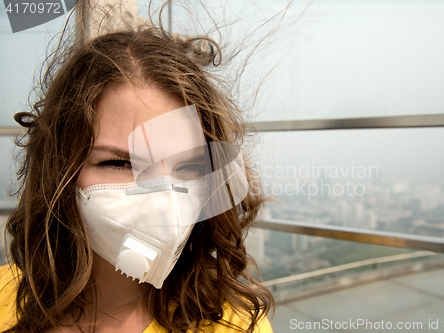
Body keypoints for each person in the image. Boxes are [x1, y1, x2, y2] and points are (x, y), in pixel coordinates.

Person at [0, 9, 274, 333]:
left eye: (187, 168)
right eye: (119, 163)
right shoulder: (5, 292)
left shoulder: (231, 325)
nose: (163, 199)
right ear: (58, 172)